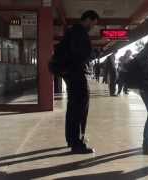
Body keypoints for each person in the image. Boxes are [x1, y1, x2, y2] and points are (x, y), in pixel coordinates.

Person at [62, 10, 99, 154]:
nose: (93, 27)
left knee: (73, 107)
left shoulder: (73, 32)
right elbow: (80, 54)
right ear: (88, 19)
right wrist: (93, 54)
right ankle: (77, 143)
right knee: (79, 107)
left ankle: (72, 139)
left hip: (71, 73)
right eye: (93, 23)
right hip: (77, 73)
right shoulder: (79, 32)